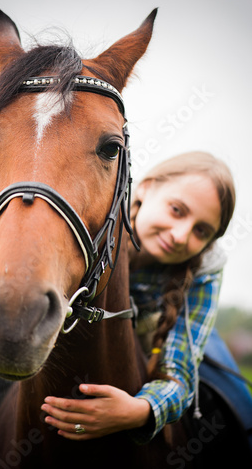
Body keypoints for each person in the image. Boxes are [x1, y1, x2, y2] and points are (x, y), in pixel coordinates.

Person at [41, 151, 237, 443]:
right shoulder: (97, 222)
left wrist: (141, 410)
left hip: (180, 335)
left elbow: (180, 373)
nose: (181, 236)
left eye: (201, 231)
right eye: (177, 210)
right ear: (145, 188)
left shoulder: (204, 270)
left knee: (240, 403)